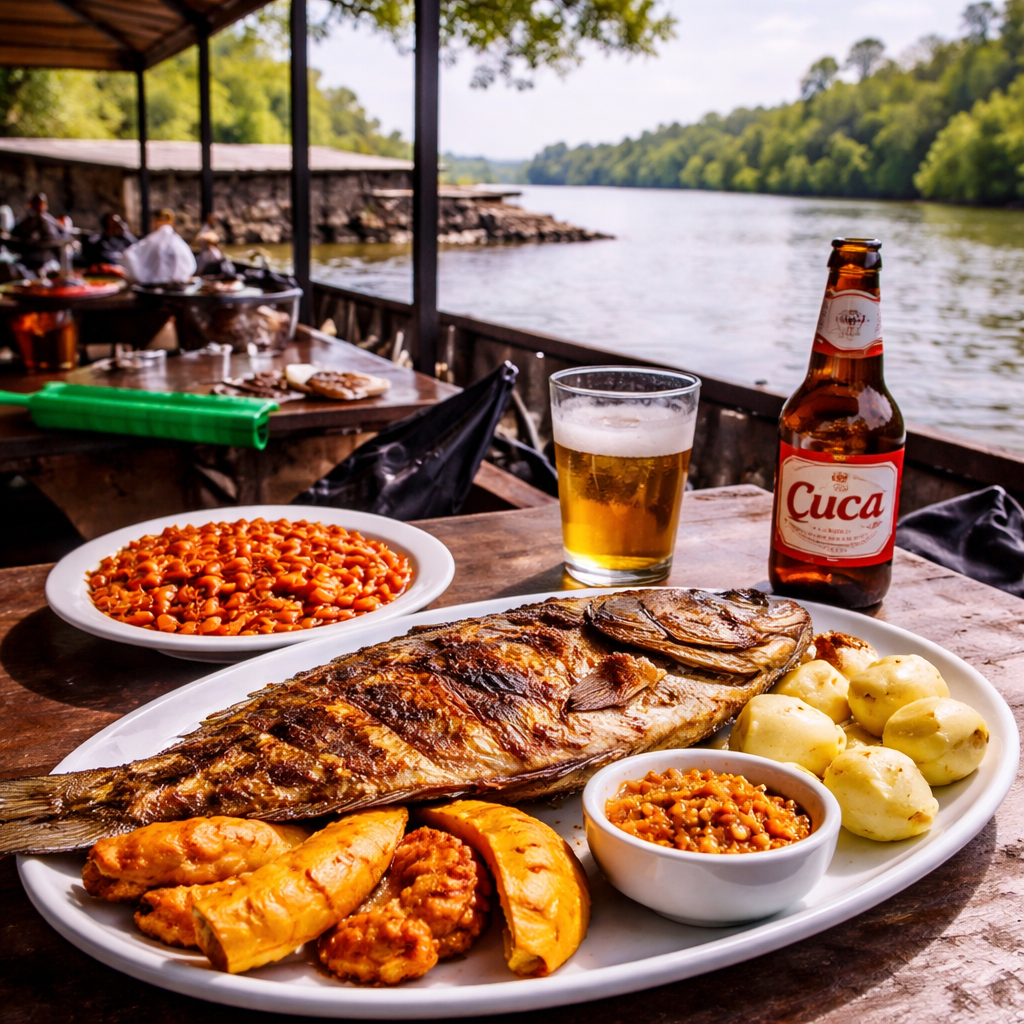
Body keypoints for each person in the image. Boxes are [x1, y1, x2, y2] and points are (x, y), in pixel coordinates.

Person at [10, 192, 69, 270]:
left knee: (64, 248)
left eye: (41, 203)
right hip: (39, 246)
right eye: (37, 203)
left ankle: (64, 274)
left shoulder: (47, 218)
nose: (40, 206)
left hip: (53, 243)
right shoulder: (32, 218)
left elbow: (62, 230)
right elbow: (20, 233)